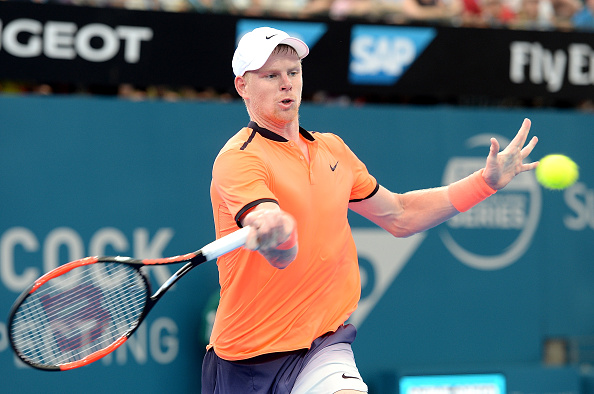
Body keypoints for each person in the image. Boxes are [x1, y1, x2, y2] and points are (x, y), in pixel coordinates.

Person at [202, 26, 539, 394]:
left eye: (293, 72)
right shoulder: (238, 159)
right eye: (271, 76)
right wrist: (276, 230)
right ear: (242, 87)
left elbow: (399, 215)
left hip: (323, 344)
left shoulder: (334, 150)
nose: (286, 83)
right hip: (248, 358)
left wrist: (484, 183)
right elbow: (274, 240)